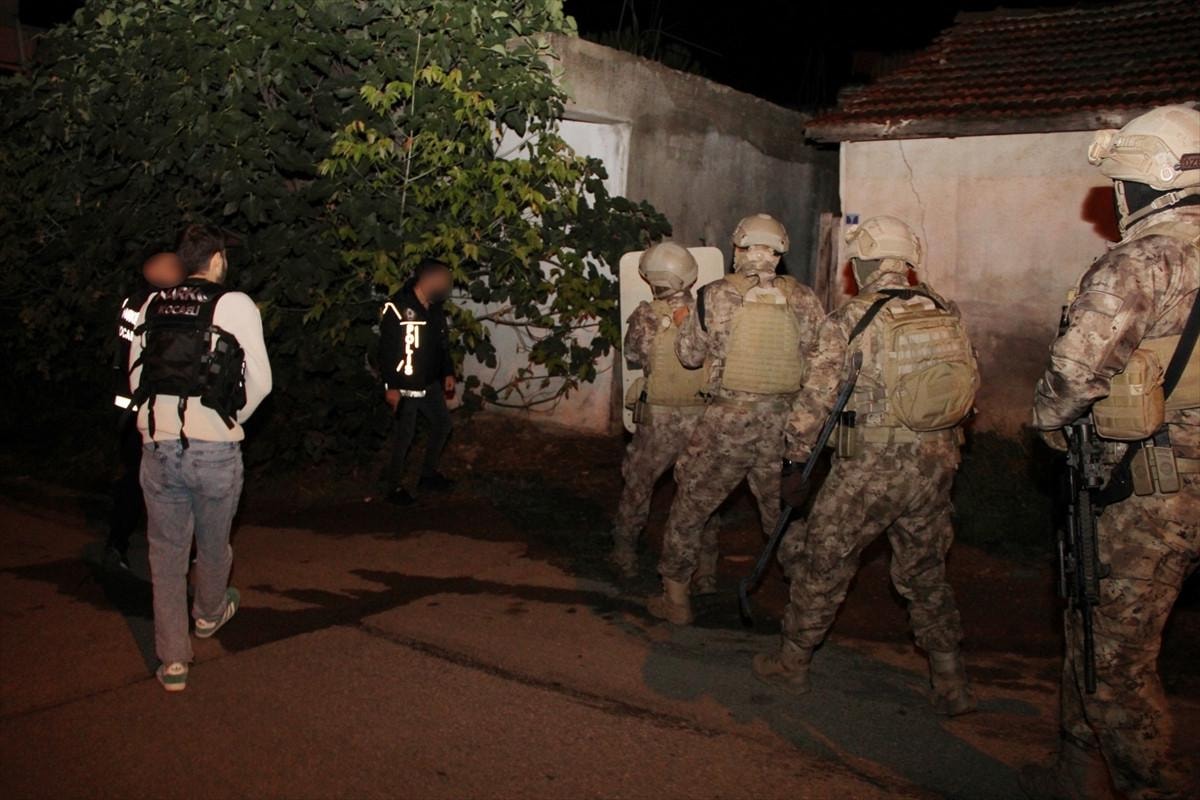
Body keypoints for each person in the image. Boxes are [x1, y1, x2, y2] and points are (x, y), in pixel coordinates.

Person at [1024, 105, 1200, 800]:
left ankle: (1149, 783)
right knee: (1091, 625)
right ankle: (1078, 770)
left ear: (1139, 181)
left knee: (1114, 657)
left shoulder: (1145, 259)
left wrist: (1046, 425)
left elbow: (1074, 374)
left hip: (1149, 484)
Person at [755, 215, 980, 716]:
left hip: (871, 470)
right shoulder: (945, 310)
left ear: (864, 264)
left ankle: (792, 664)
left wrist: (793, 462)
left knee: (824, 562)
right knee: (925, 570)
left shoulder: (850, 320)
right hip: (936, 464)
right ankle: (950, 678)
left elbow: (815, 400)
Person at [649, 214, 825, 624]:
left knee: (690, 509)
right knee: (784, 520)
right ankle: (806, 609)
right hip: (782, 428)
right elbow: (821, 369)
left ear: (738, 248)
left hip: (726, 426)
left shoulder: (715, 295)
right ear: (780, 252)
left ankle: (676, 600)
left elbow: (689, 356)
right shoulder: (804, 300)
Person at [128, 224, 272, 692]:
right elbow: (262, 382)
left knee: (166, 555)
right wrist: (227, 420)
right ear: (215, 260)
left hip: (158, 444)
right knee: (213, 545)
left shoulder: (153, 304)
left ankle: (173, 661)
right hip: (213, 449)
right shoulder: (235, 304)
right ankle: (209, 614)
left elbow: (136, 378)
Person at [611, 243, 720, 588]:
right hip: (701, 418)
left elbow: (632, 355)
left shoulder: (645, 315)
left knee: (638, 486)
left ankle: (625, 555)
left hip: (657, 420)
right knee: (702, 493)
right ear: (690, 275)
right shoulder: (709, 313)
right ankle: (706, 569)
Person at [105, 252, 184, 570]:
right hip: (147, 408)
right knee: (150, 480)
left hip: (130, 405)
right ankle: (124, 545)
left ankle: (118, 543)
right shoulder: (155, 306)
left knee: (138, 477)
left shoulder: (135, 300)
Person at [379, 258, 457, 505]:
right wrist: (391, 386)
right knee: (405, 435)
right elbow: (386, 350)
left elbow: (441, 344)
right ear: (427, 279)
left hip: (429, 382)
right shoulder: (397, 308)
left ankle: (428, 475)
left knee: (443, 424)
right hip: (405, 384)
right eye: (442, 280)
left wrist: (447, 372)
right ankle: (393, 488)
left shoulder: (434, 307)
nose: (445, 286)